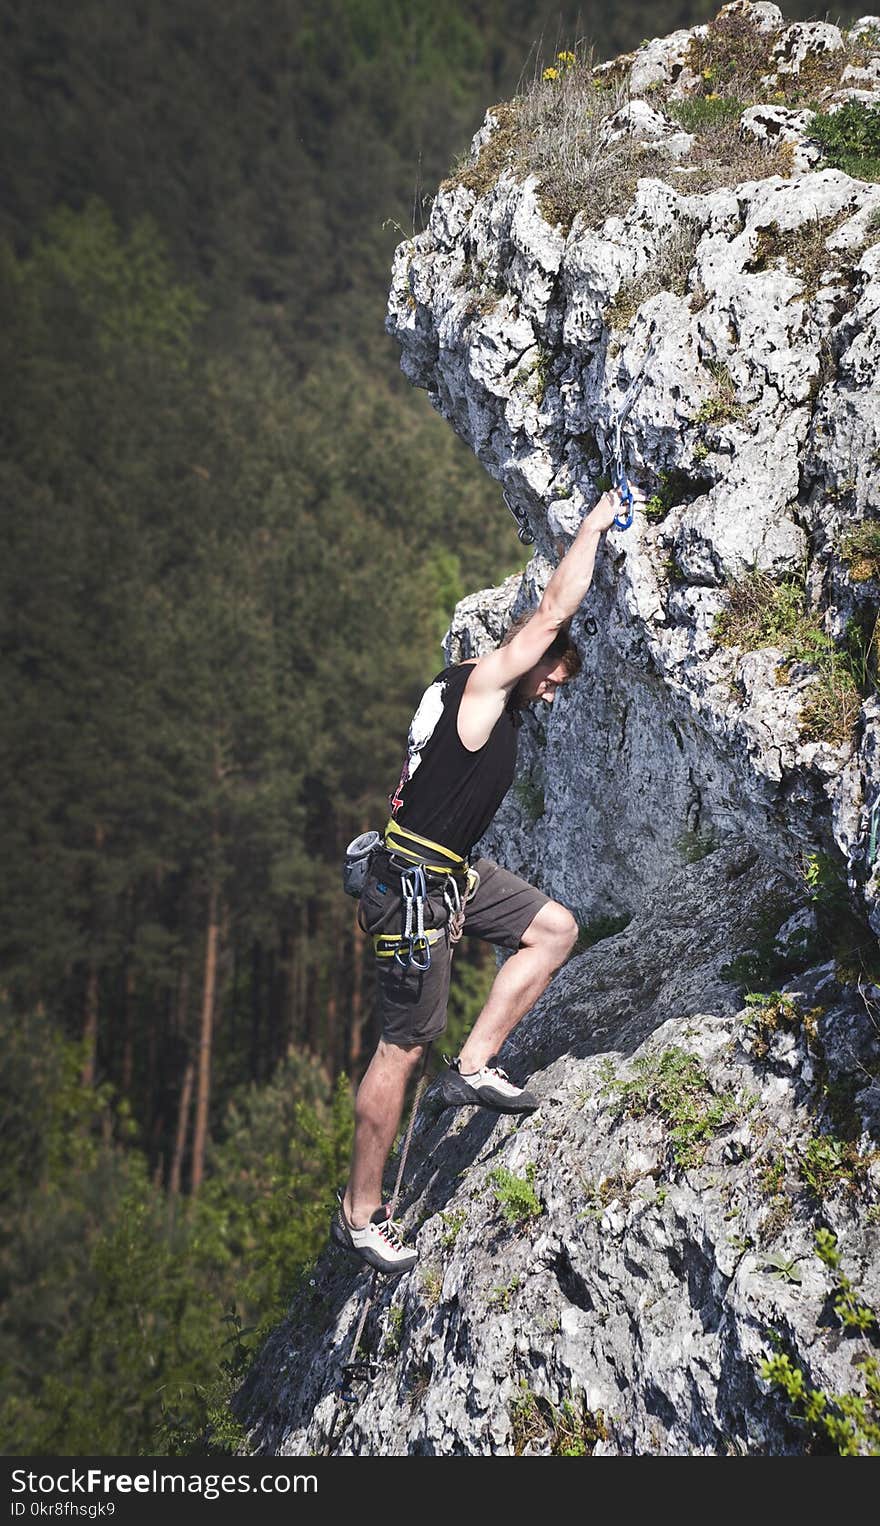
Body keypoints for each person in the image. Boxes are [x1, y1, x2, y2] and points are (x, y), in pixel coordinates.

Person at [332, 484, 640, 1273]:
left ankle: (475, 1066)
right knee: (402, 1047)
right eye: (551, 676)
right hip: (412, 890)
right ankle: (360, 1214)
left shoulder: (465, 694)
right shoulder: (484, 686)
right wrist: (597, 525)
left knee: (554, 929)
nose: (550, 689)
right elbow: (550, 611)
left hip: (449, 873)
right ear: (527, 659)